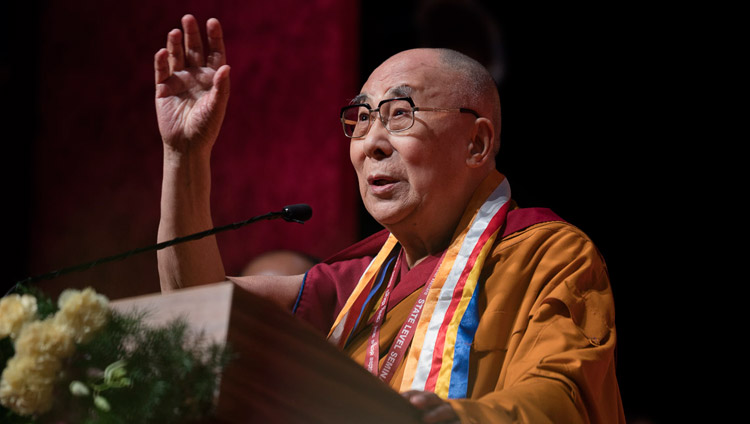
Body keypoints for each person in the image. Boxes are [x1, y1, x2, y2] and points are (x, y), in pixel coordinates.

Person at [155, 14, 624, 423]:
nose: (372, 142)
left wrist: (456, 419)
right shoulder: (351, 288)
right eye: (361, 119)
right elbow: (197, 308)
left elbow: (563, 393)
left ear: (476, 144)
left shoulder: (548, 254)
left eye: (400, 114)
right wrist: (185, 155)